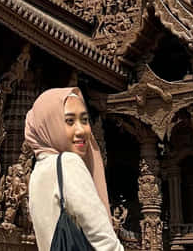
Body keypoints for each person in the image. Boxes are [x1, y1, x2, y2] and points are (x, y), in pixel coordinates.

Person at [25, 87, 123, 251]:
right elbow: (105, 242)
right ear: (50, 125)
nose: (81, 130)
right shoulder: (68, 164)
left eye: (84, 120)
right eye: (70, 121)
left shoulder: (37, 173)